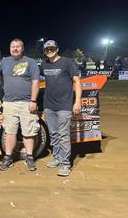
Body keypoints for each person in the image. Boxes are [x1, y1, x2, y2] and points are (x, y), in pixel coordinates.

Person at [0, 38, 40, 171]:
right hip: (9, 103)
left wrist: (33, 101)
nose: (15, 48)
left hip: (27, 103)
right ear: (10, 48)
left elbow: (36, 83)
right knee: (10, 131)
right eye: (13, 46)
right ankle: (8, 157)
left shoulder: (31, 62)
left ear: (22, 48)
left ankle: (30, 157)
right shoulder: (5, 61)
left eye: (18, 46)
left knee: (29, 132)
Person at [40, 40, 82, 177]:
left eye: (52, 48)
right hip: (49, 106)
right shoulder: (44, 64)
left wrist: (77, 102)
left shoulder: (67, 62)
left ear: (57, 49)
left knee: (64, 135)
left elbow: (77, 81)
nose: (49, 50)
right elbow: (34, 79)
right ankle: (57, 158)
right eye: (47, 49)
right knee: (53, 134)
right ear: (45, 51)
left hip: (64, 105)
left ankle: (65, 164)